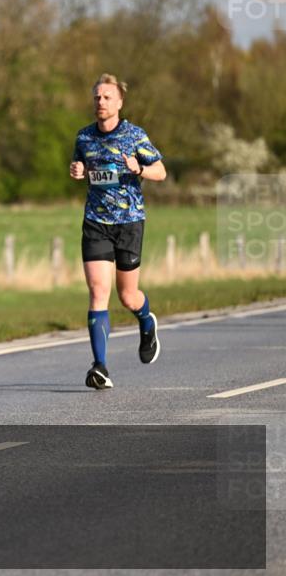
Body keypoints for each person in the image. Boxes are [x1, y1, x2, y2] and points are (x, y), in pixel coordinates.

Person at [69, 74, 166, 390]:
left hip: (129, 222)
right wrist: (78, 170)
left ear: (119, 102)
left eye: (107, 97)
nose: (101, 102)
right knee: (98, 291)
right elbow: (80, 167)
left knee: (127, 296)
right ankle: (100, 366)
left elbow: (161, 172)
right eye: (97, 96)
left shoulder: (135, 136)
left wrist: (139, 168)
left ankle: (145, 319)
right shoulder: (84, 138)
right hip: (96, 223)